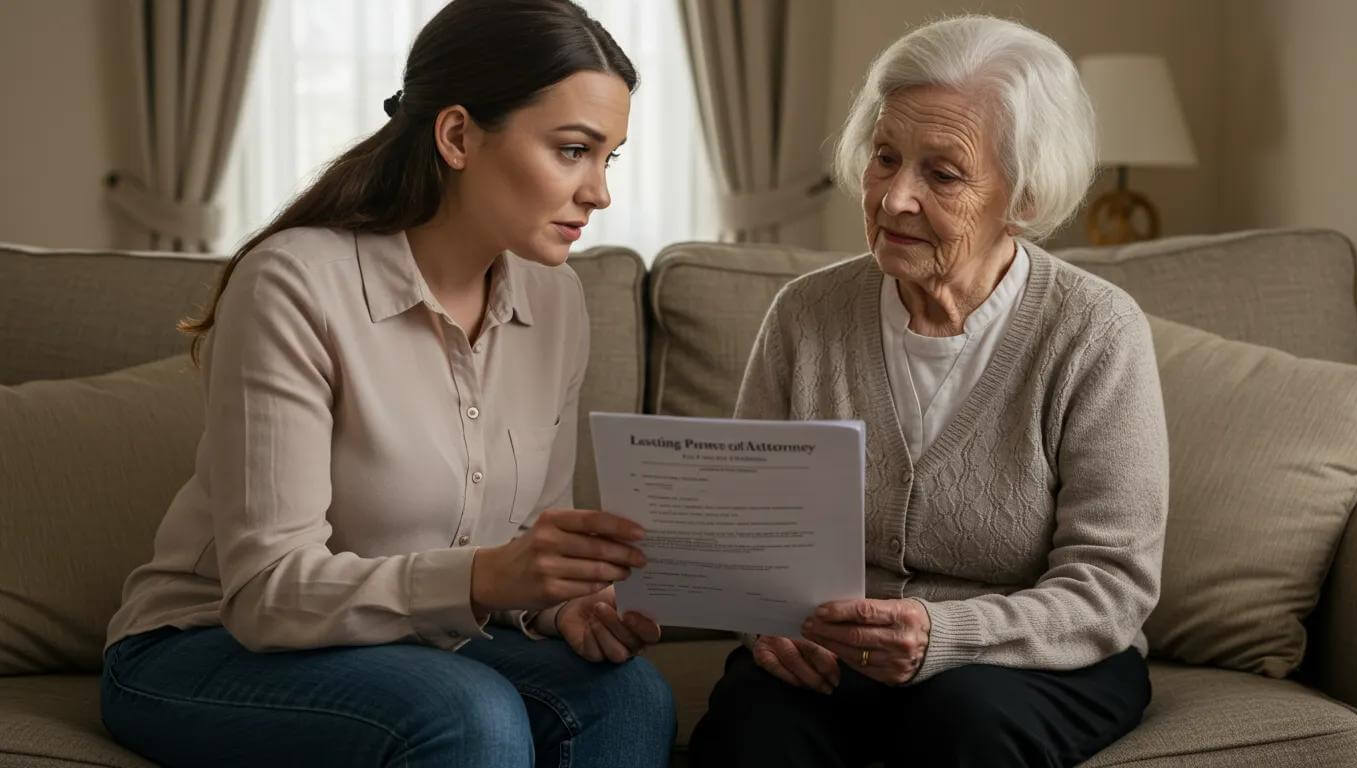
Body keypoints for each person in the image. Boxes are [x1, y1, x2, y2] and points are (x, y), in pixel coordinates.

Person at [100, 2, 674, 766]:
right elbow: (267, 594)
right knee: (468, 713)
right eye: (573, 150)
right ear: (458, 135)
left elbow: (531, 534)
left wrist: (565, 605)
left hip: (419, 649)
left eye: (611, 159)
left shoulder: (557, 300)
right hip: (207, 644)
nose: (598, 192)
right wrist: (485, 577)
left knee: (629, 696)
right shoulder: (296, 283)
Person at [690, 15, 1168, 768]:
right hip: (838, 655)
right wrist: (765, 622)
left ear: (1027, 198)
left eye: (942, 174)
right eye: (885, 158)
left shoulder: (1096, 332)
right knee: (751, 727)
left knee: (965, 718)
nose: (894, 198)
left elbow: (1112, 585)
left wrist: (945, 637)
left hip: (1033, 658)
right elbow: (750, 535)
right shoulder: (806, 315)